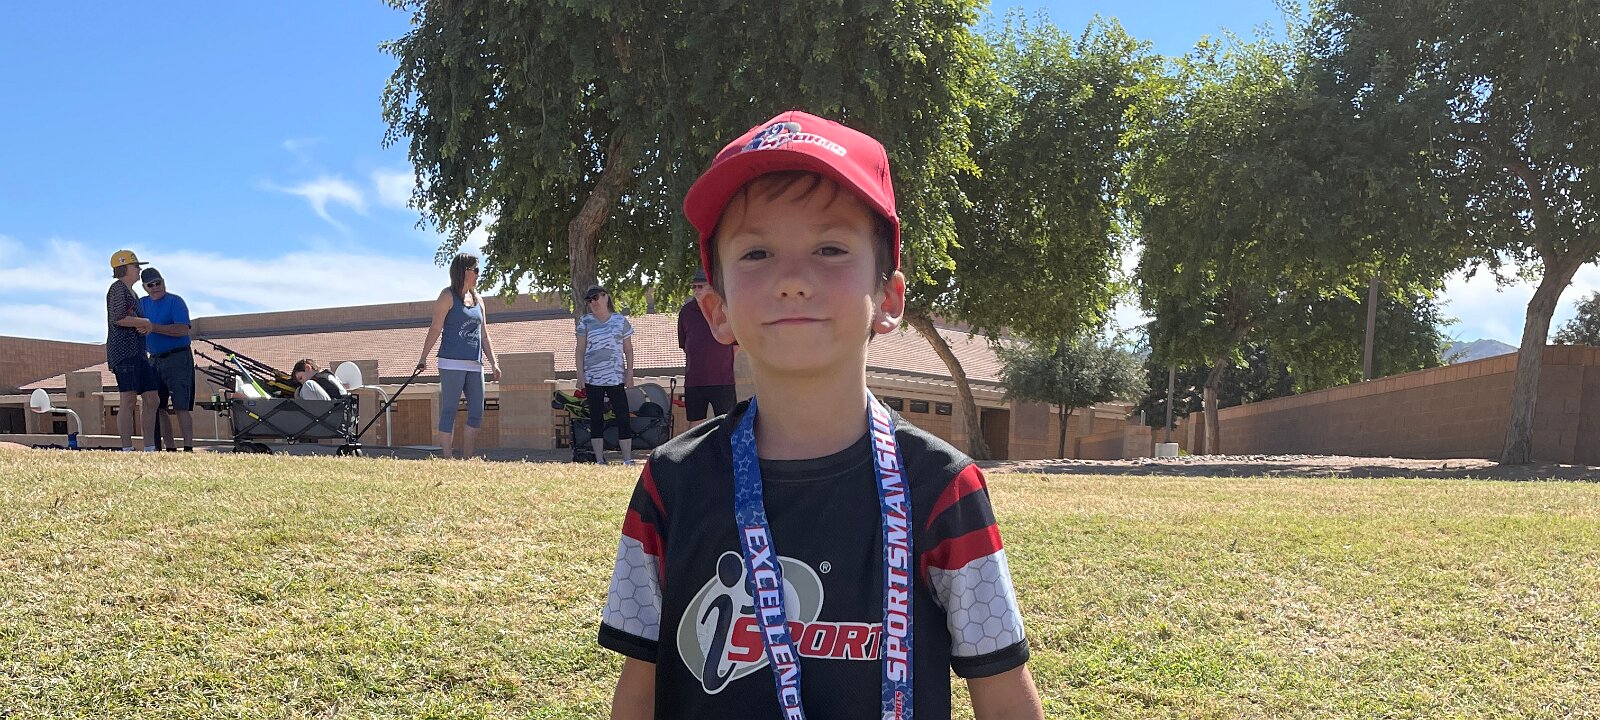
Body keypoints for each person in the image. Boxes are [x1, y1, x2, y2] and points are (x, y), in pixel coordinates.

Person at [599, 112, 1043, 719]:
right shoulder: (669, 484)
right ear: (717, 309)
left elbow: (1005, 697)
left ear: (888, 298)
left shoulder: (945, 489)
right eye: (756, 252)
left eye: (830, 249)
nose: (792, 279)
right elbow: (639, 689)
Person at [417, 253, 500, 459]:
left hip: (475, 364)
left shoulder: (479, 300)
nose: (478, 274)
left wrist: (494, 363)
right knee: (449, 409)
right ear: (464, 271)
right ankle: (447, 458)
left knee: (477, 412)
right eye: (476, 270)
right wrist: (423, 357)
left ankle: (467, 458)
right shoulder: (447, 296)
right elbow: (435, 328)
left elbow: (484, 334)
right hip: (451, 362)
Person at [105, 250, 161, 452]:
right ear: (124, 268)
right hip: (124, 353)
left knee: (152, 398)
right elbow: (118, 318)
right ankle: (127, 449)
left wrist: (143, 326)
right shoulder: (117, 289)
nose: (139, 269)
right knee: (128, 399)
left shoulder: (132, 292)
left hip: (139, 352)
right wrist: (144, 322)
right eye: (136, 265)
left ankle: (150, 448)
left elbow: (131, 320)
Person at [575, 284, 635, 465]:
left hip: (616, 378)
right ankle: (600, 460)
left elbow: (628, 350)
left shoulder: (620, 321)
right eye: (589, 300)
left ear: (605, 297)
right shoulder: (585, 321)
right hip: (593, 378)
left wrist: (629, 374)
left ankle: (627, 459)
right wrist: (580, 375)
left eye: (596, 298)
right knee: (596, 418)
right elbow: (580, 350)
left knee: (623, 416)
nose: (593, 302)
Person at [139, 267, 195, 452]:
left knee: (181, 405)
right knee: (158, 405)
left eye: (158, 283)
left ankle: (188, 447)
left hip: (177, 357)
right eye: (151, 285)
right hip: (154, 359)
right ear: (145, 287)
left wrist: (153, 327)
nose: (156, 287)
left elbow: (182, 329)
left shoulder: (175, 302)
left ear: (163, 282)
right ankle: (169, 447)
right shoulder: (141, 304)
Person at [677, 268, 737, 428]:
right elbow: (685, 345)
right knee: (695, 423)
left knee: (727, 422)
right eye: (694, 287)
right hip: (695, 380)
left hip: (722, 380)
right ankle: (697, 447)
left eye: (700, 286)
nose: (696, 290)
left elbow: (736, 344)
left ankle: (725, 447)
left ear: (712, 286)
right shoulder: (686, 312)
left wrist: (723, 362)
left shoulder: (725, 309)